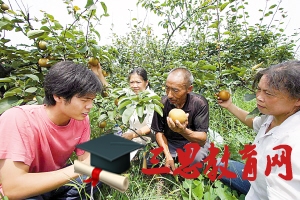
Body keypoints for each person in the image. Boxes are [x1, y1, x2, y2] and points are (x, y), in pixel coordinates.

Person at [0, 61, 103, 199]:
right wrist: (80, 167)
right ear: (58, 96)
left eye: (92, 100)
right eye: (84, 100)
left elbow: (86, 160)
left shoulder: (81, 119)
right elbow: (12, 189)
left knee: (94, 179)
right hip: (24, 189)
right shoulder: (19, 118)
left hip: (54, 179)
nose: (90, 106)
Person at [217, 60, 300, 199]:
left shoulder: (293, 143)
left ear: (297, 99)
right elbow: (255, 123)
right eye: (259, 90)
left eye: (268, 93)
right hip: (257, 182)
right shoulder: (274, 116)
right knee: (218, 163)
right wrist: (230, 106)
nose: (259, 97)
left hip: (266, 193)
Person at [151, 67, 210, 172]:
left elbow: (202, 139)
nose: (169, 95)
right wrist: (167, 155)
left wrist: (183, 131)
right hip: (170, 142)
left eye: (175, 90)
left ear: (189, 89)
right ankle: (172, 159)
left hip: (191, 142)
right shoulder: (162, 103)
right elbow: (158, 132)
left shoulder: (199, 103)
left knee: (195, 160)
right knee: (149, 159)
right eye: (167, 88)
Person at [91, 64, 155, 145]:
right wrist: (99, 74)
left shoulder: (152, 99)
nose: (135, 85)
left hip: (146, 138)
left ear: (146, 83)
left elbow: (149, 127)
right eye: (132, 82)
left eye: (138, 82)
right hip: (130, 134)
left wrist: (132, 135)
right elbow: (112, 92)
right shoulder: (129, 94)